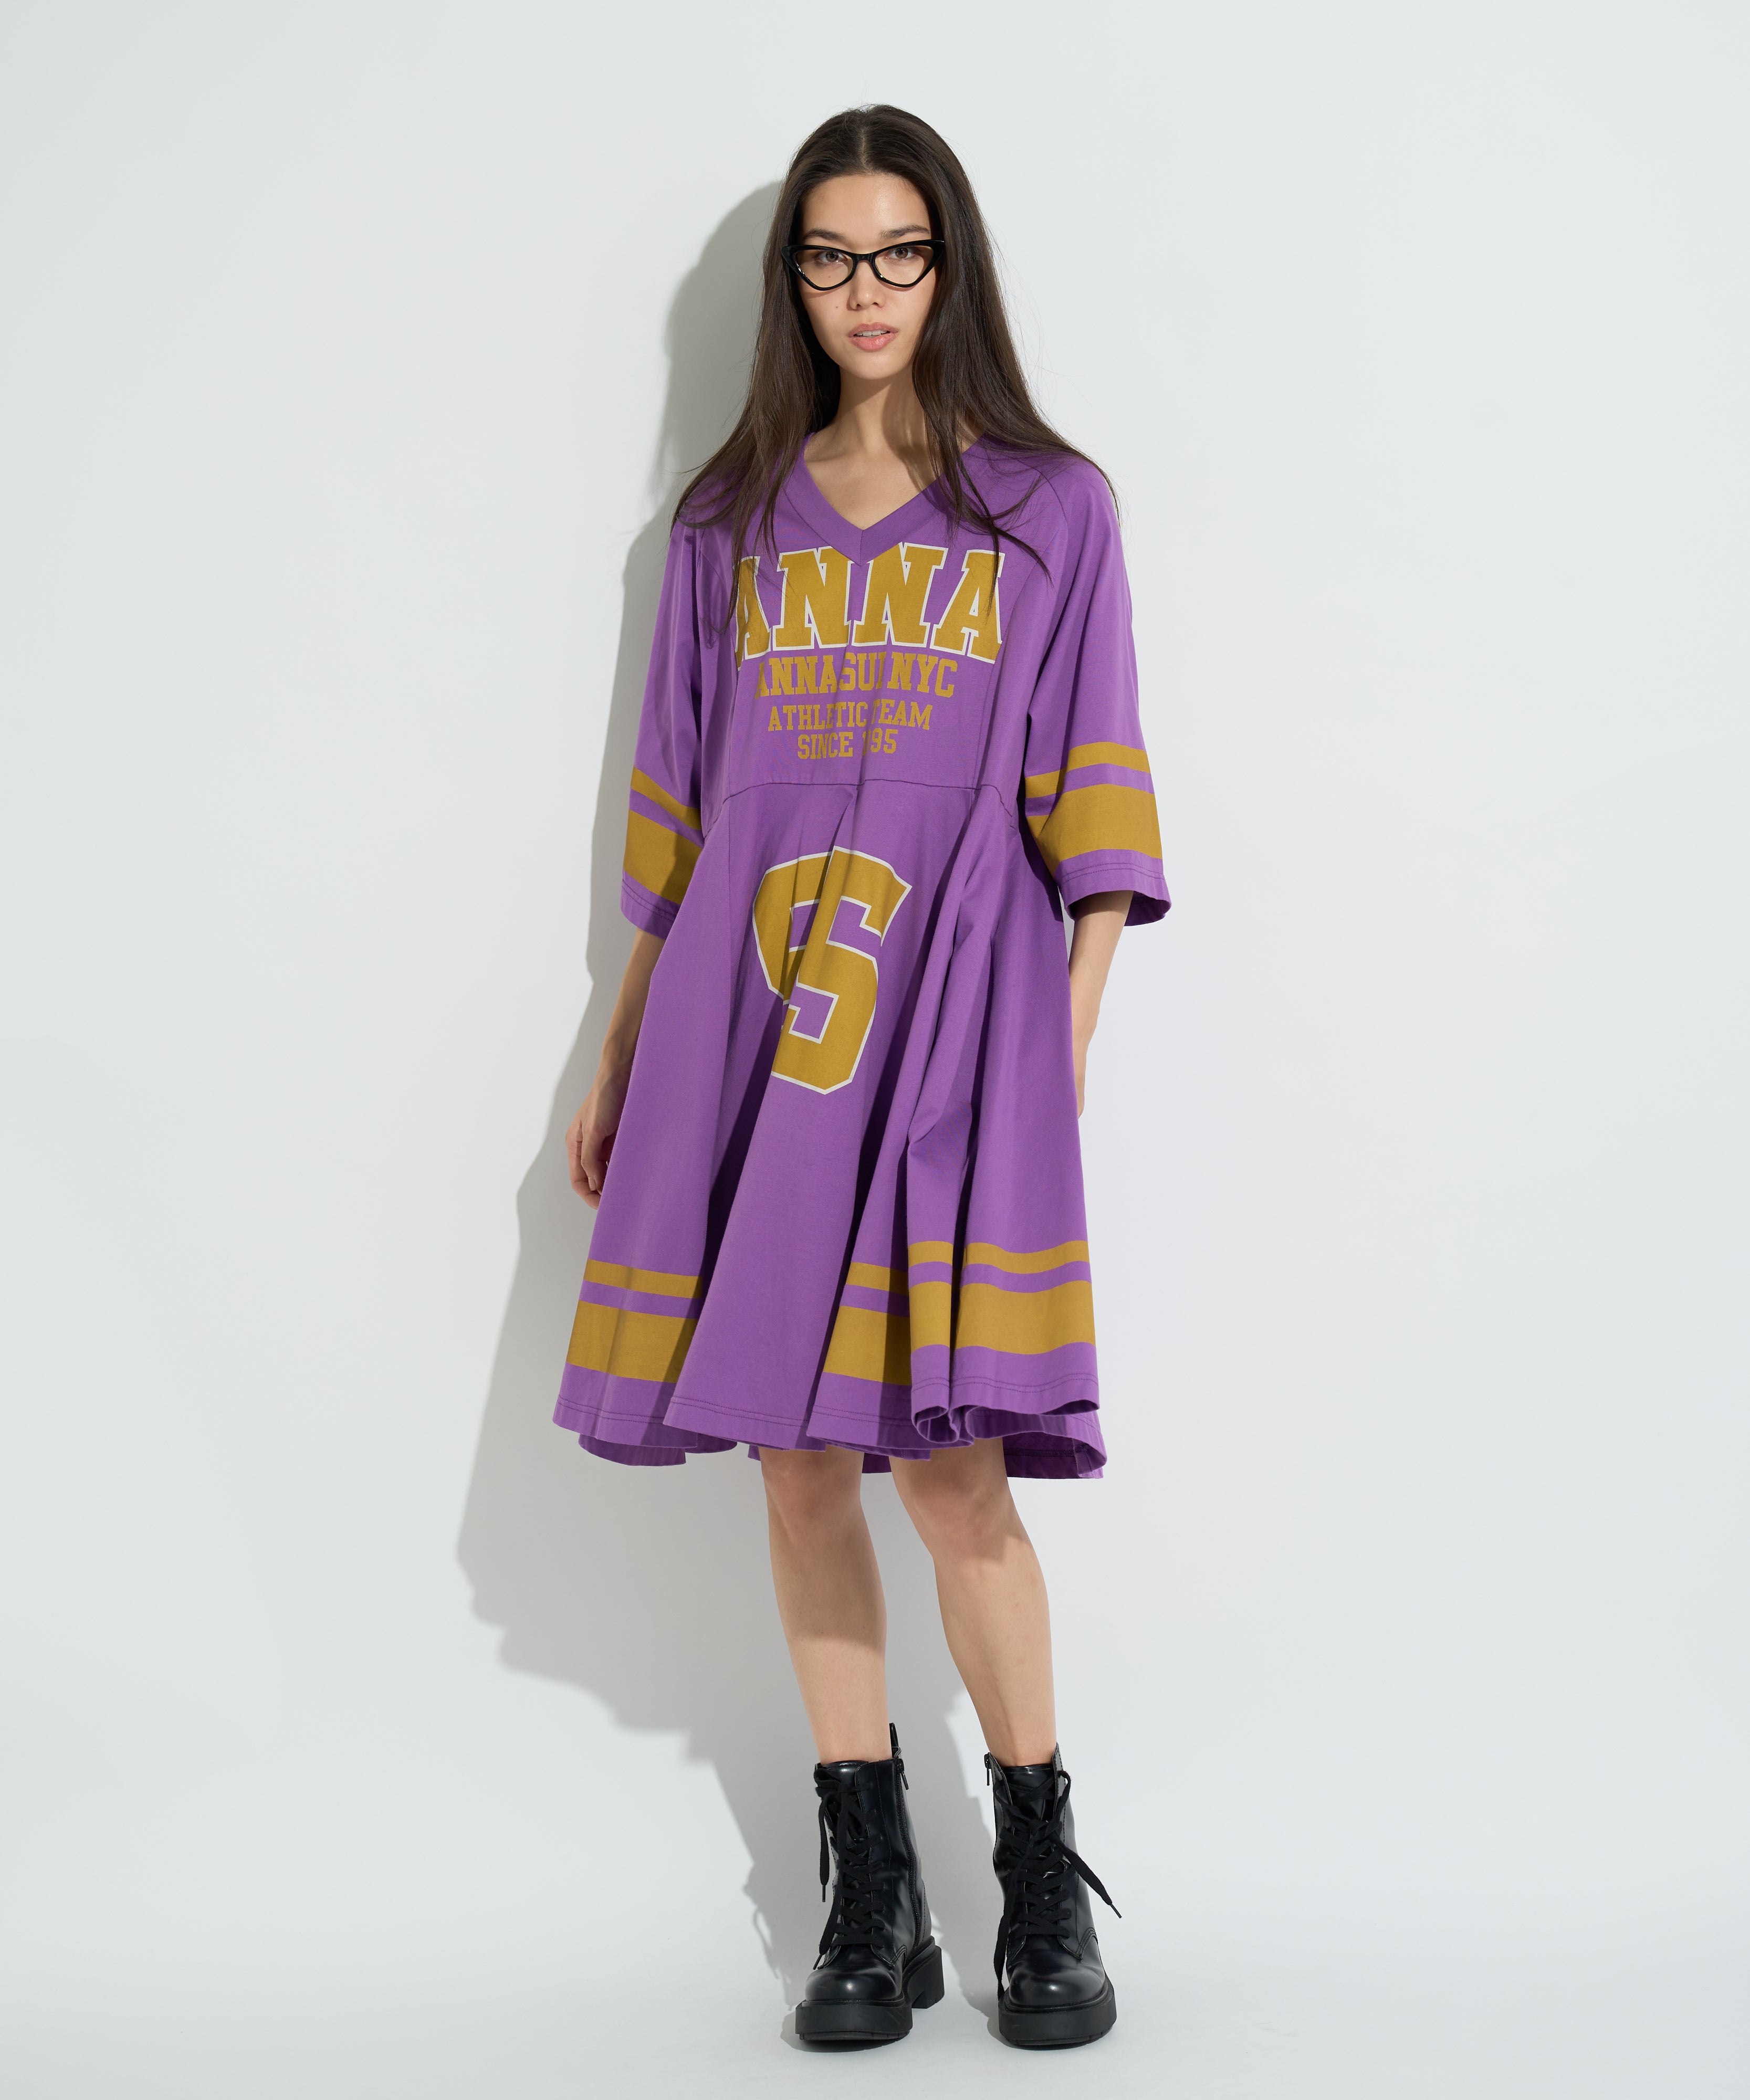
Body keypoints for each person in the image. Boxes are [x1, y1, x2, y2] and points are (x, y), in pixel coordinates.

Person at [556, 103, 1168, 2049]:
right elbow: (679, 814)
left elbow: (1093, 809)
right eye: (831, 259)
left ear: (948, 266)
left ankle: (1040, 1876)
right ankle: (870, 1887)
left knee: (954, 1463)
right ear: (794, 284)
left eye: (901, 253)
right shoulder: (725, 529)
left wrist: (1065, 1038)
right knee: (802, 1457)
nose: (867, 291)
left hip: (958, 1018)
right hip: (751, 1015)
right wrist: (621, 1037)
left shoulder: (1049, 510)